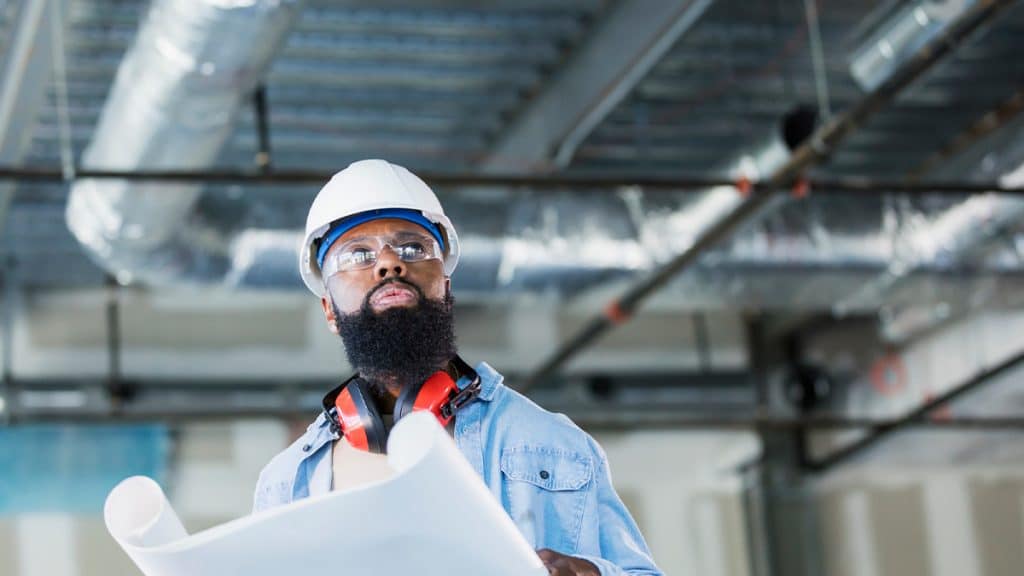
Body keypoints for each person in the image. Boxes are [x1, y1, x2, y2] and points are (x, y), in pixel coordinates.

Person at [253, 159, 662, 576]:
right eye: (357, 254)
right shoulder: (286, 483)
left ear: (445, 285)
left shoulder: (551, 444)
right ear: (329, 309)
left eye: (413, 248)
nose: (389, 263)